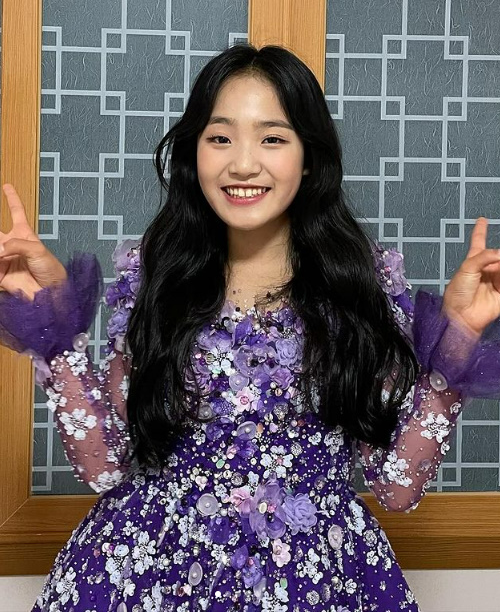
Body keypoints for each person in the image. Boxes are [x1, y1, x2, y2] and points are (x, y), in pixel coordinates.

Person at [0, 43, 499, 612]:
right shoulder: (153, 277)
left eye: (272, 138)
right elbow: (105, 464)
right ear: (194, 152)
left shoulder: (362, 287)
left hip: (314, 583)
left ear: (308, 156)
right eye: (220, 137)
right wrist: (52, 335)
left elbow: (397, 487)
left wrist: (459, 338)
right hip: (150, 575)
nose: (242, 164)